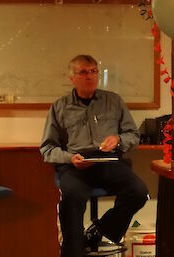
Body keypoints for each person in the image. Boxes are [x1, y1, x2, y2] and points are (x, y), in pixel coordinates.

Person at [40, 54, 148, 257]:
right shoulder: (60, 107)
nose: (90, 76)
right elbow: (47, 149)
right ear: (72, 78)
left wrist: (118, 139)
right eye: (83, 72)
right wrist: (69, 158)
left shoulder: (113, 101)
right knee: (72, 198)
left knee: (139, 192)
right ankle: (74, 250)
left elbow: (133, 135)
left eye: (94, 71)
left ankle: (100, 230)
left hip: (109, 162)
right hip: (76, 165)